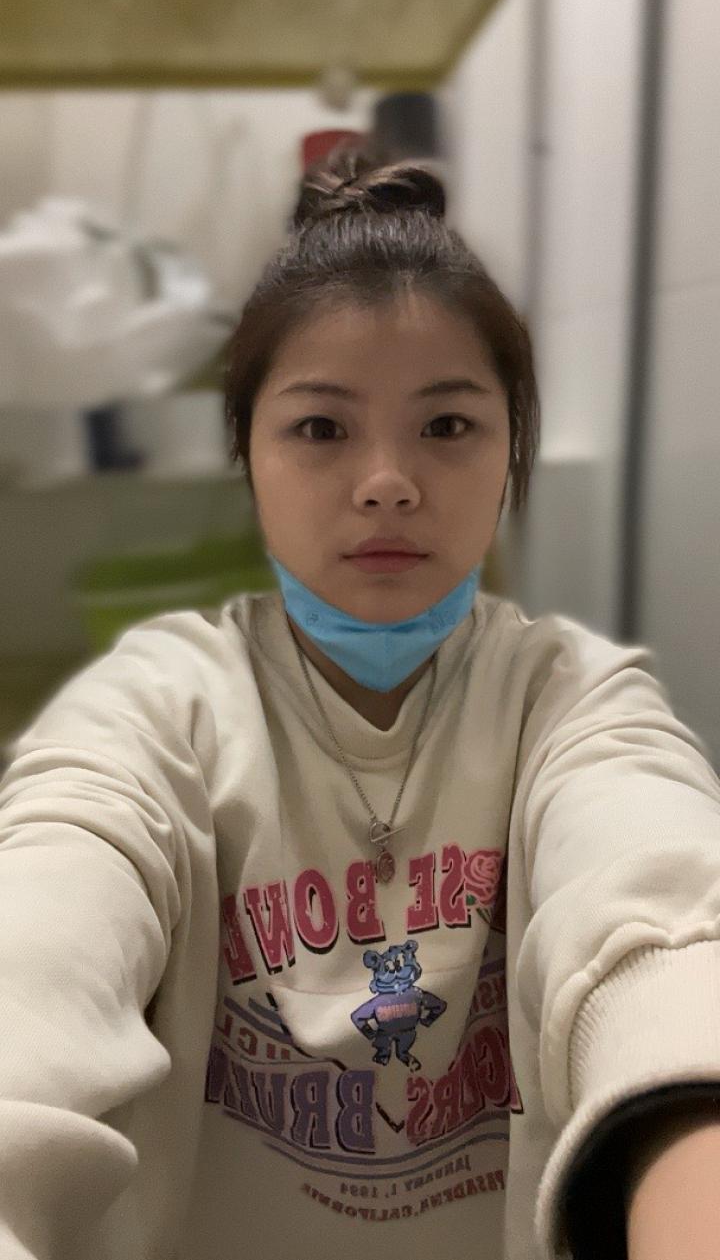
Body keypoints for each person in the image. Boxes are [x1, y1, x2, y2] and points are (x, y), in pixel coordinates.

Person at [1, 147, 720, 1260]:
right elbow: (41, 938)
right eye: (322, 428)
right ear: (247, 454)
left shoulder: (571, 700)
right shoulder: (159, 706)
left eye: (447, 426)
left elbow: (667, 928)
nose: (388, 481)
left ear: (511, 449)